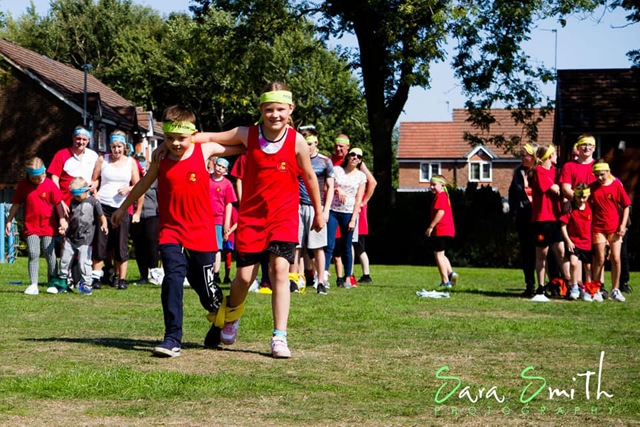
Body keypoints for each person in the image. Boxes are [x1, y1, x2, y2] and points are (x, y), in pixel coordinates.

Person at [198, 82, 325, 358]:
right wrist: (180, 139)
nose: (275, 115)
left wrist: (319, 210)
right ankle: (231, 318)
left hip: (284, 217)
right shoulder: (248, 134)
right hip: (252, 219)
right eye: (269, 109)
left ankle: (279, 336)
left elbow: (310, 177)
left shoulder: (297, 141)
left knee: (280, 270)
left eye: (280, 109)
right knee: (244, 277)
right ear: (261, 110)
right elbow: (210, 137)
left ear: (290, 110)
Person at [112, 105, 242, 357]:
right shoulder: (161, 159)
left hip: (202, 233)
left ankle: (221, 319)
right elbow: (143, 183)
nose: (175, 144)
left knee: (206, 289)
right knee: (172, 278)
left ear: (192, 134)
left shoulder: (205, 150)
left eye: (181, 138)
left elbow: (243, 142)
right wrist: (122, 208)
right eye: (169, 138)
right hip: (171, 232)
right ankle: (172, 337)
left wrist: (201, 137)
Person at [5, 157, 67, 295]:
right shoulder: (23, 186)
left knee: (49, 253)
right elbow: (16, 204)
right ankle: (33, 284)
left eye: (39, 178)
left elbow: (58, 204)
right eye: (33, 178)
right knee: (33, 253)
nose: (37, 181)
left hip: (48, 226)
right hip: (31, 226)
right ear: (28, 175)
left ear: (44, 172)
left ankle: (53, 283)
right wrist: (9, 220)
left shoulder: (50, 185)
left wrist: (62, 219)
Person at [90, 131, 143, 290]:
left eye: (119, 147)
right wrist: (95, 192)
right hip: (103, 206)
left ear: (124, 147)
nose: (116, 150)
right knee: (100, 243)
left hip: (122, 207)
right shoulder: (102, 159)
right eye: (113, 147)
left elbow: (139, 186)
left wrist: (129, 189)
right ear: (110, 147)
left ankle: (121, 279)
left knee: (121, 244)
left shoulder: (131, 162)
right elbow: (94, 180)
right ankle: (97, 278)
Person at [328, 134, 377, 287]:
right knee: (330, 244)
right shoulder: (331, 162)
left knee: (351, 243)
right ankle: (329, 276)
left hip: (351, 209)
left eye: (341, 146)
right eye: (336, 145)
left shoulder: (358, 166)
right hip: (333, 207)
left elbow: (373, 182)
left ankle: (352, 276)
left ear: (348, 147)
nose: (338, 148)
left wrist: (363, 202)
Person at [296, 128, 335, 295]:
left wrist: (325, 211)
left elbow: (331, 187)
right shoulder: (296, 158)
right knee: (296, 246)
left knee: (318, 247)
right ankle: (295, 281)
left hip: (315, 207)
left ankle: (320, 282)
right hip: (296, 206)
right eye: (305, 143)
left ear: (316, 143)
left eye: (310, 143)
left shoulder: (325, 161)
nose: (308, 146)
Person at [54, 177, 108, 295]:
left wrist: (104, 225)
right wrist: (65, 226)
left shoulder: (94, 202)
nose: (76, 198)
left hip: (85, 240)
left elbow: (101, 216)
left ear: (85, 191)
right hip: (71, 237)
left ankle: (86, 285)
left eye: (78, 196)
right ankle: (63, 282)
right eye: (74, 196)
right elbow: (70, 217)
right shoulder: (73, 201)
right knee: (65, 260)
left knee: (84, 263)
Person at [324, 147, 367, 289]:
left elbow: (359, 198)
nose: (355, 158)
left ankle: (348, 277)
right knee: (329, 244)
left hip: (349, 212)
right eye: (353, 154)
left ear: (360, 160)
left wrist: (354, 218)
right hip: (333, 210)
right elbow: (326, 187)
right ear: (348, 156)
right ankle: (323, 275)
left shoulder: (361, 176)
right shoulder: (337, 170)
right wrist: (337, 189)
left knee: (347, 246)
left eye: (358, 157)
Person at [589, 160, 631, 303]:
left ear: (608, 172)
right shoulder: (592, 188)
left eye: (601, 175)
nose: (599, 178)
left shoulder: (616, 186)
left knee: (616, 258)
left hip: (614, 228)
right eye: (596, 175)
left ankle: (615, 289)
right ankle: (595, 289)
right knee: (600, 259)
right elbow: (583, 202)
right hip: (598, 227)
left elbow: (626, 206)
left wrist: (622, 225)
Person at [529, 144, 565, 301]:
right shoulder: (539, 171)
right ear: (549, 157)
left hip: (556, 218)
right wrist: (558, 186)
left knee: (561, 251)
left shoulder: (556, 172)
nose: (557, 157)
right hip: (542, 219)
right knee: (541, 254)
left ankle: (566, 285)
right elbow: (554, 189)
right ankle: (541, 287)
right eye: (554, 154)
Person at [559, 183, 599, 301]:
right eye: (579, 197)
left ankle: (588, 290)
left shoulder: (590, 208)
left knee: (588, 267)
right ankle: (574, 286)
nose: (581, 200)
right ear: (574, 196)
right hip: (574, 242)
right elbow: (563, 226)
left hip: (587, 243)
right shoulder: (570, 208)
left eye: (584, 197)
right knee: (573, 263)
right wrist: (568, 241)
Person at [47, 126, 99, 212]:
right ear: (73, 137)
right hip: (66, 204)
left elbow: (98, 177)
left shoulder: (93, 156)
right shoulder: (61, 155)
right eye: (78, 139)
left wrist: (95, 184)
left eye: (84, 139)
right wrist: (60, 201)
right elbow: (54, 179)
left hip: (87, 204)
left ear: (88, 140)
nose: (81, 142)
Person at [508, 143, 537, 296]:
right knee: (527, 252)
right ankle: (530, 285)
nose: (522, 157)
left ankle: (550, 285)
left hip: (539, 217)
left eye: (525, 154)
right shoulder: (518, 173)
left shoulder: (539, 171)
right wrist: (513, 212)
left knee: (544, 253)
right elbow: (512, 193)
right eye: (521, 154)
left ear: (533, 157)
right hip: (523, 217)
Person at [129, 155, 160, 284]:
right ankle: (143, 275)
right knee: (139, 245)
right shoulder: (131, 180)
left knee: (152, 244)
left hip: (152, 214)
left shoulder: (154, 179)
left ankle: (154, 272)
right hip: (135, 216)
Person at [424, 174, 457, 288]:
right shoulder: (443, 196)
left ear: (442, 185)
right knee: (441, 254)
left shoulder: (441, 196)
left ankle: (445, 281)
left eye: (434, 185)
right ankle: (451, 273)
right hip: (447, 229)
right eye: (430, 185)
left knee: (438, 254)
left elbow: (440, 212)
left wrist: (431, 226)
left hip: (441, 229)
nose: (431, 187)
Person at [208, 157, 237, 284]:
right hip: (204, 217)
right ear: (214, 165)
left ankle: (215, 273)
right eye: (218, 165)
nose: (219, 168)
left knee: (217, 248)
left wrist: (226, 222)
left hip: (218, 218)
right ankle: (206, 271)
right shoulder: (206, 180)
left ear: (226, 170)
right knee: (205, 247)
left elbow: (229, 204)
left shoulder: (227, 184)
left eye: (222, 167)